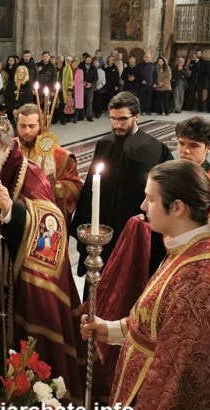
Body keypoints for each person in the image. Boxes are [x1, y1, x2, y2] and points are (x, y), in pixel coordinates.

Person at [81, 160, 210, 410]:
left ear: (178, 207)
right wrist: (110, 330)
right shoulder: (190, 247)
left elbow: (174, 377)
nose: (143, 207)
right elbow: (164, 324)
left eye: (150, 199)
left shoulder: (199, 279)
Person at [0, 112, 85, 401]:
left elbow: (52, 227)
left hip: (11, 290)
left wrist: (13, 211)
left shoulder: (27, 172)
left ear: (3, 145)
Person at [71, 91, 172, 277]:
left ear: (137, 117)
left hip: (135, 230)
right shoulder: (104, 144)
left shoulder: (155, 148)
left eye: (123, 119)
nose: (117, 125)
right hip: (103, 227)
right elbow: (90, 191)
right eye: (113, 119)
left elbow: (166, 192)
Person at [15, 103, 82, 223]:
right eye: (22, 126)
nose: (27, 131)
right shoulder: (10, 151)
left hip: (47, 219)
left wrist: (54, 187)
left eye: (32, 126)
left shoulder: (61, 157)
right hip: (16, 217)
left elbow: (75, 188)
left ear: (41, 126)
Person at [80, 54, 97, 121]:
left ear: (91, 60)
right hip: (82, 86)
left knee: (89, 101)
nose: (88, 61)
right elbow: (78, 76)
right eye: (87, 60)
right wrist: (82, 82)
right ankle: (81, 115)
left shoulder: (93, 67)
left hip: (90, 87)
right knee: (82, 101)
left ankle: (89, 116)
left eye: (89, 60)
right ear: (85, 60)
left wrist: (91, 83)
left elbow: (96, 78)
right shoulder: (81, 67)